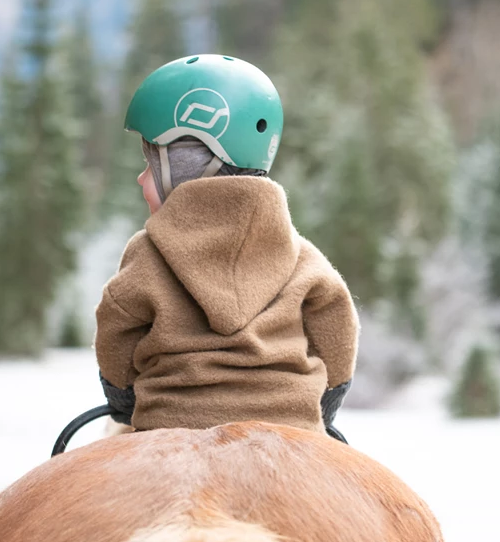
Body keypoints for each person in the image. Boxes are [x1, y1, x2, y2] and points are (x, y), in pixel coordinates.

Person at [95, 54, 359, 435]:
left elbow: (115, 330)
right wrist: (329, 401)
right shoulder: (302, 257)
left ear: (184, 167)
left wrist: (121, 400)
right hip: (292, 424)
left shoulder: (147, 253)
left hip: (168, 423)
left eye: (151, 165)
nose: (140, 179)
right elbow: (338, 331)